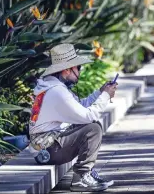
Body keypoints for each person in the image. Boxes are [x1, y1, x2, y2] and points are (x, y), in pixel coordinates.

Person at [28, 43, 118, 192]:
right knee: (93, 128)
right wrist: (106, 96)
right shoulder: (57, 92)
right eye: (78, 68)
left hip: (45, 146)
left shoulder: (54, 86)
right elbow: (89, 116)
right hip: (47, 150)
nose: (79, 71)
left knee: (90, 125)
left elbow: (79, 107)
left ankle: (86, 174)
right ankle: (81, 178)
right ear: (66, 70)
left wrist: (100, 93)